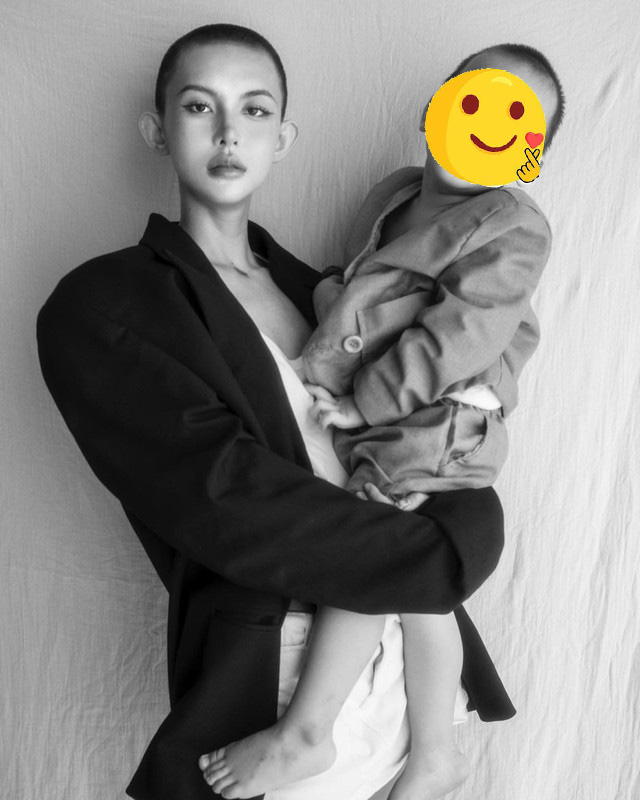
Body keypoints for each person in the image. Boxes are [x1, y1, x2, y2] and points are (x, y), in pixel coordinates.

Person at [36, 25, 514, 800]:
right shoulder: (104, 306)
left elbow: (438, 428)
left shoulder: (330, 291)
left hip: (416, 670)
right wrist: (445, 551)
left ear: (282, 138)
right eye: (201, 106)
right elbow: (226, 499)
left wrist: (468, 522)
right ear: (158, 129)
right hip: (280, 682)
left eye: (255, 110)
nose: (229, 133)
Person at [202, 44, 564, 800]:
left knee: (368, 546)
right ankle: (437, 750)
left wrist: (363, 401)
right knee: (410, 573)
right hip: (392, 419)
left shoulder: (512, 227)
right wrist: (330, 301)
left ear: (529, 154)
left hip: (444, 418)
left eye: (518, 119)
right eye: (476, 98)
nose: (490, 123)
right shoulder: (392, 194)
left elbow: (457, 339)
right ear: (438, 108)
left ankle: (309, 732)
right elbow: (361, 289)